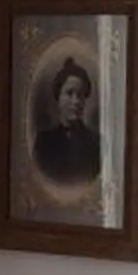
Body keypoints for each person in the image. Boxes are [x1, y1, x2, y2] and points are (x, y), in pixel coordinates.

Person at [32, 56, 102, 187]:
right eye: (70, 94)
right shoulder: (43, 142)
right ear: (58, 97)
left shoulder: (96, 143)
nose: (76, 101)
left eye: (80, 95)